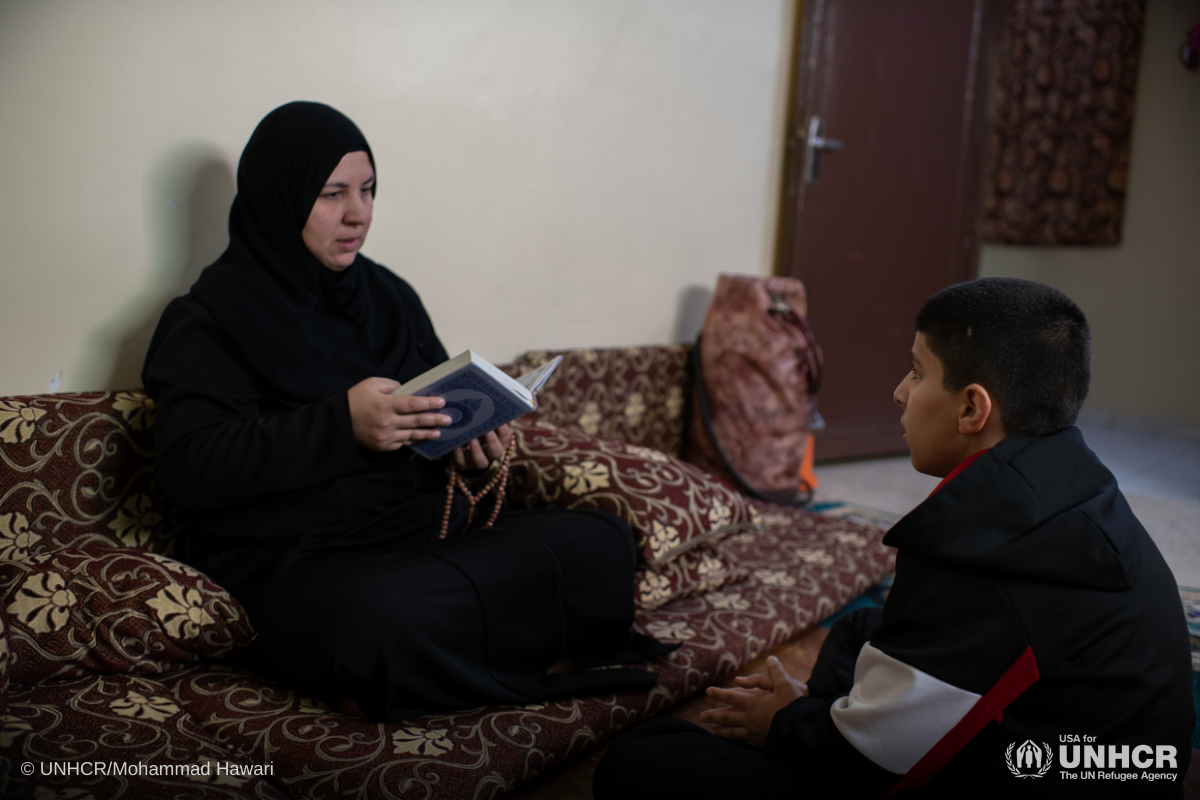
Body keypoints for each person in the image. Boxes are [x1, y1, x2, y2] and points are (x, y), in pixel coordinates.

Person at [141, 101, 672, 722]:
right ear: (277, 198)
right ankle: (507, 653)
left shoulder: (387, 296)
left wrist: (471, 445)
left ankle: (446, 665)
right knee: (381, 614)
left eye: (368, 190)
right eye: (332, 194)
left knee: (603, 539)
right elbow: (187, 469)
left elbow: (435, 413)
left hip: (419, 533)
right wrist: (341, 425)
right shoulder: (209, 319)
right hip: (303, 564)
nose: (358, 214)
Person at [593, 278, 1195, 798]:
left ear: (971, 409)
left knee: (643, 759)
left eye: (916, 371)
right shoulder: (1071, 478)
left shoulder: (977, 555)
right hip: (1129, 767)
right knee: (861, 630)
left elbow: (871, 768)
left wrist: (784, 722)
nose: (900, 393)